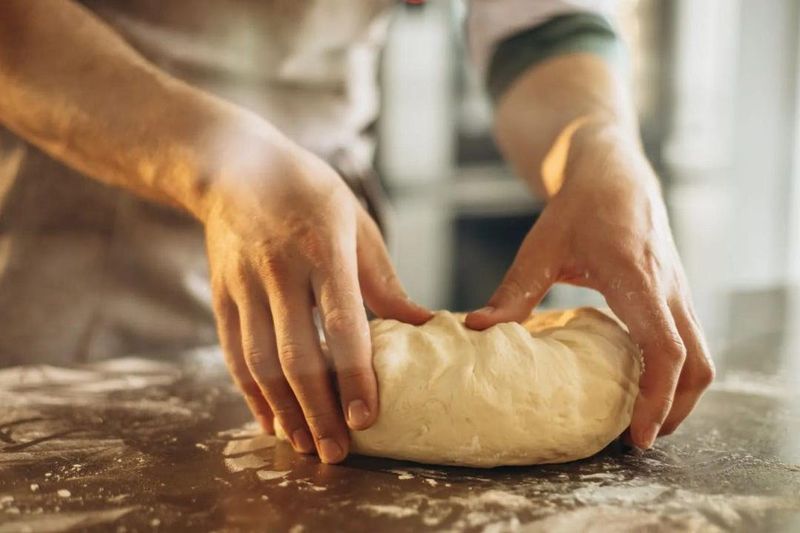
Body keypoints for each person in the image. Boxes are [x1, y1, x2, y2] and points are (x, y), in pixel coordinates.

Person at [0, 0, 714, 464]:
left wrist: (600, 141)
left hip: (329, 236)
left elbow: (540, 25)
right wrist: (218, 164)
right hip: (77, 234)